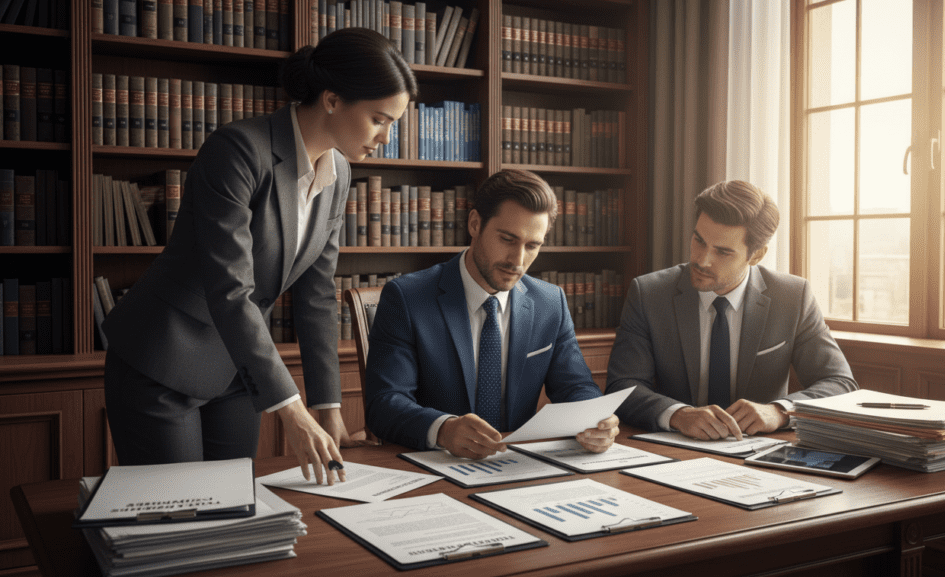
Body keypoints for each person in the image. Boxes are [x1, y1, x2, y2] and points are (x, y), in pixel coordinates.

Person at [102, 28, 417, 484]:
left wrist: (327, 407)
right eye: (379, 119)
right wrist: (290, 408)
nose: (386, 138)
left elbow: (315, 294)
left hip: (234, 370)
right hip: (162, 359)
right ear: (331, 100)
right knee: (178, 523)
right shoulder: (237, 151)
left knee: (235, 513)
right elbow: (230, 289)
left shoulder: (339, 170)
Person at [364, 169, 620, 458]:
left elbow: (576, 386)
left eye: (532, 246)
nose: (518, 261)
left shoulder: (550, 302)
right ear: (475, 224)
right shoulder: (407, 298)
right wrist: (443, 429)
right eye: (508, 240)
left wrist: (595, 419)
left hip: (517, 467)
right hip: (436, 466)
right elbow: (384, 403)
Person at [607, 180, 856, 440]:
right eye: (698, 240)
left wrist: (780, 411)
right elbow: (622, 386)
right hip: (674, 448)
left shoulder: (792, 297)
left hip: (760, 454)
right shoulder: (649, 294)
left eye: (723, 252)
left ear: (757, 255)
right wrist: (678, 415)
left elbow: (840, 383)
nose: (702, 259)